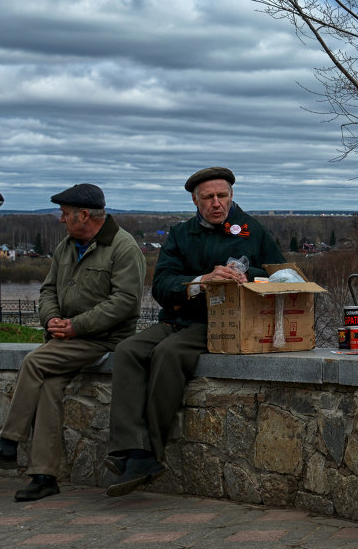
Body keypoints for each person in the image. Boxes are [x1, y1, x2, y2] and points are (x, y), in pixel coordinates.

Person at [104, 167, 284, 496]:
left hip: (223, 324)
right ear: (195, 200)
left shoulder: (251, 230)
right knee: (129, 350)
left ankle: (148, 453)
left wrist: (246, 275)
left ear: (231, 196)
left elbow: (282, 276)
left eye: (223, 196)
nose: (217, 203)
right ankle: (130, 447)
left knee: (168, 354)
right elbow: (161, 285)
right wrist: (201, 281)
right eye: (208, 198)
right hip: (178, 317)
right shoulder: (182, 234)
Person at [0, 184, 146, 501]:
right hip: (67, 337)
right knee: (49, 387)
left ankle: (8, 444)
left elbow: (126, 303)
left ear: (84, 215)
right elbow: (48, 291)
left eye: (64, 214)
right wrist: (51, 320)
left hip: (104, 339)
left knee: (35, 361)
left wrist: (77, 325)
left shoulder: (122, 247)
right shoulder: (65, 246)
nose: (61, 220)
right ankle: (44, 476)